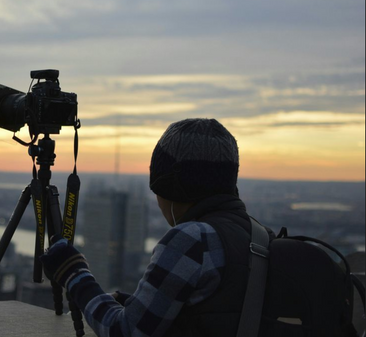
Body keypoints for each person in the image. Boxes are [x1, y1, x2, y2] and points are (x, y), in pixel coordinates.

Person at [41, 118, 257, 337]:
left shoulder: (191, 240)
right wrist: (140, 306)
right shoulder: (256, 234)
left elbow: (122, 332)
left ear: (170, 188)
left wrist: (74, 273)